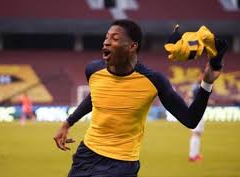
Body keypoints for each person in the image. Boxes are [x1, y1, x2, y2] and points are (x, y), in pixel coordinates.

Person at [53, 19, 225, 177]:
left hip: (121, 165)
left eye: (115, 38)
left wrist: (207, 83)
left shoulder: (154, 81)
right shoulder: (93, 71)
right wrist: (68, 123)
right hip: (86, 156)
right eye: (106, 37)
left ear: (132, 46)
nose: (106, 42)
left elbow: (190, 119)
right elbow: (96, 97)